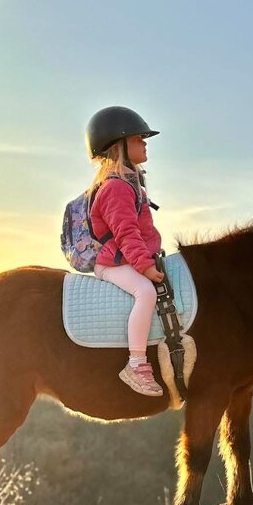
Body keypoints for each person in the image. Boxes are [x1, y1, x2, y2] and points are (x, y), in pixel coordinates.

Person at [85, 105, 166, 398]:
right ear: (118, 145)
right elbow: (126, 233)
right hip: (113, 262)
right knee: (146, 292)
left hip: (127, 257)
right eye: (137, 138)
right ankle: (136, 363)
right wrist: (145, 266)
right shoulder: (116, 188)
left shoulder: (132, 185)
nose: (144, 142)